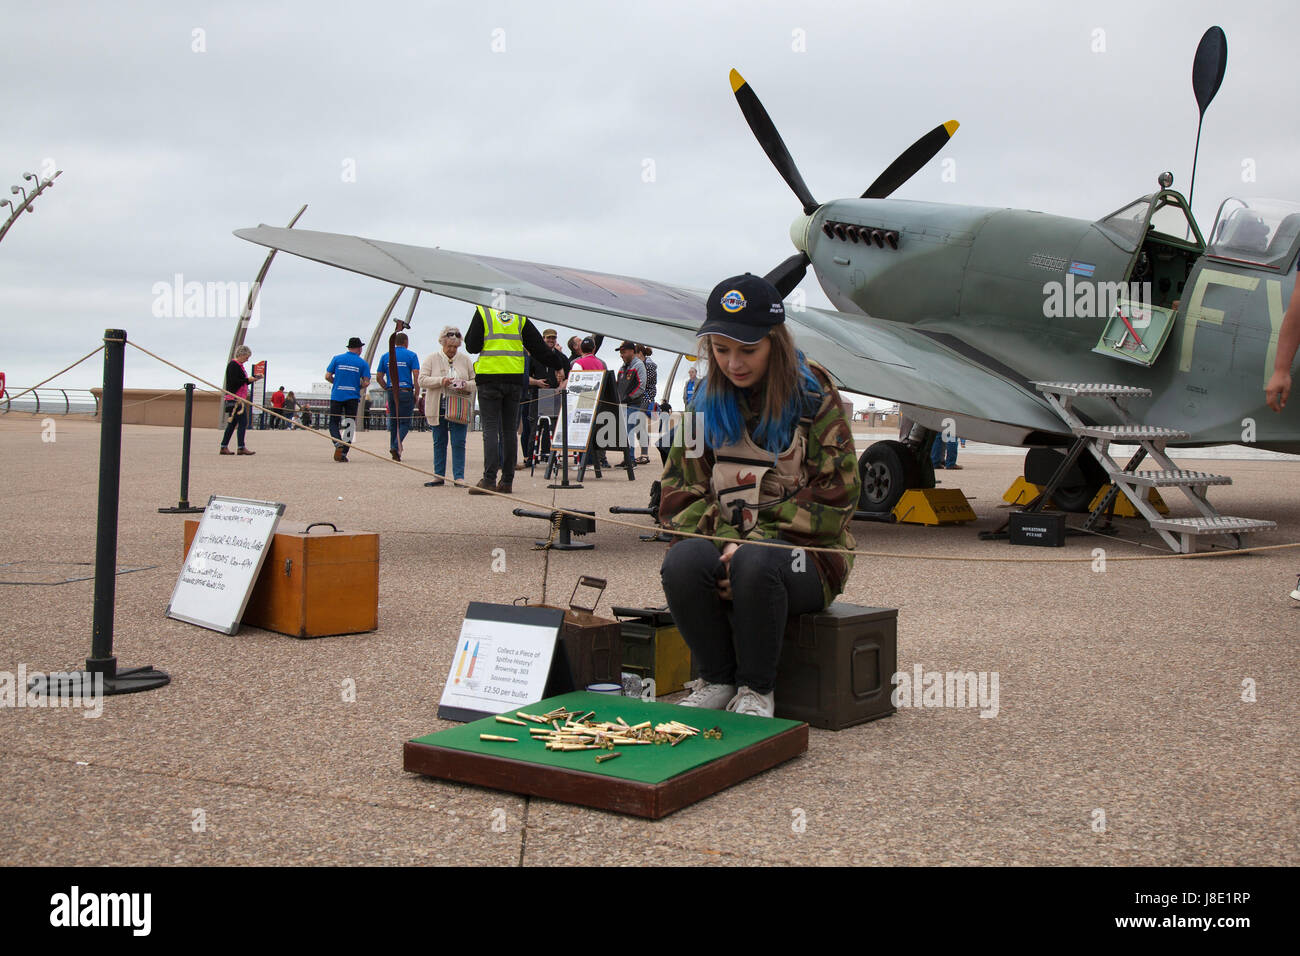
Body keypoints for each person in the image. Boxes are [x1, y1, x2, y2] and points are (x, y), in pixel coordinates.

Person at [658, 273, 860, 718]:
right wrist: (724, 541)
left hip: (808, 557)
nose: (734, 363)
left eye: (748, 349)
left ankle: (756, 691)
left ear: (776, 342)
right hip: (728, 546)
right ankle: (716, 678)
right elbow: (678, 494)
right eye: (721, 349)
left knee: (758, 562)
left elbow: (839, 492)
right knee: (682, 563)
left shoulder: (813, 396)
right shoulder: (703, 403)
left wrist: (750, 544)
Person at [464, 305, 565, 494]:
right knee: (509, 431)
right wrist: (558, 365)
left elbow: (472, 346)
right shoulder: (519, 316)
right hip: (514, 379)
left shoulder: (483, 312)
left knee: (491, 430)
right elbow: (538, 348)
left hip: (489, 377)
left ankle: (489, 479)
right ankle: (507, 481)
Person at [420, 325, 476, 486]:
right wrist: (440, 381)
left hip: (459, 406)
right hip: (438, 406)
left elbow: (475, 382)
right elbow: (422, 380)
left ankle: (459, 476)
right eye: (449, 346)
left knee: (459, 442)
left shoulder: (465, 360)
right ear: (442, 344)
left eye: (455, 347)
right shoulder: (431, 358)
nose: (452, 349)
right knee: (439, 441)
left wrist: (464, 384)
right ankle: (438, 475)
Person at [521, 328, 571, 468]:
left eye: (553, 338)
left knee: (555, 429)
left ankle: (554, 458)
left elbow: (569, 376)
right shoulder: (534, 357)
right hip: (537, 396)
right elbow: (525, 376)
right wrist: (537, 382)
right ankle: (531, 458)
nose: (551, 340)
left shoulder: (561, 357)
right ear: (543, 339)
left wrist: (560, 388)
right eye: (548, 338)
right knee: (535, 428)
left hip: (554, 396)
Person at [324, 336, 372, 462]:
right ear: (359, 348)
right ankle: (344, 452)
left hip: (337, 394)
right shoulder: (362, 363)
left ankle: (336, 442)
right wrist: (358, 386)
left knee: (334, 421)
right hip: (352, 396)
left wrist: (336, 382)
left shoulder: (337, 359)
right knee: (350, 424)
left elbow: (328, 376)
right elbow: (366, 382)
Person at [375, 331, 420, 461]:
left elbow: (378, 377)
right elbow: (416, 375)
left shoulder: (385, 356)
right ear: (406, 342)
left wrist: (387, 387)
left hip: (391, 390)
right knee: (405, 422)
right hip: (405, 390)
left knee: (394, 421)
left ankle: (394, 448)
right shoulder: (411, 355)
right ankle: (396, 446)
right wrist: (416, 393)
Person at [219, 345, 260, 455]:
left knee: (232, 424)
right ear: (241, 355)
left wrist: (252, 379)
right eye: (246, 357)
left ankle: (224, 446)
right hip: (235, 399)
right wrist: (247, 379)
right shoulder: (234, 365)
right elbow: (234, 382)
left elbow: (241, 381)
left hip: (237, 398)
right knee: (243, 423)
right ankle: (241, 447)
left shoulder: (238, 366)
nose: (247, 359)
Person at [615, 341, 647, 466]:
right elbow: (617, 385)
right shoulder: (622, 368)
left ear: (632, 352)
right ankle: (628, 458)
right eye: (621, 352)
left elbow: (641, 386)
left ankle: (631, 459)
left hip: (633, 404)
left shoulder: (638, 365)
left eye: (624, 352)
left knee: (629, 430)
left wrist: (629, 397)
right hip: (623, 404)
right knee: (624, 431)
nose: (621, 355)